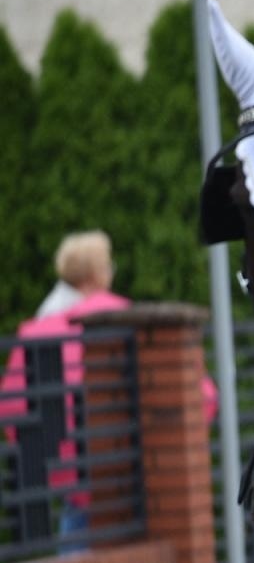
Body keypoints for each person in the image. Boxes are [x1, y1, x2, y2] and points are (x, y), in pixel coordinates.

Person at [1, 232, 217, 546]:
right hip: (119, 473)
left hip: (77, 480)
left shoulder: (44, 322)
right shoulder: (114, 317)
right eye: (108, 264)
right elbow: (204, 396)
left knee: (75, 557)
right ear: (96, 272)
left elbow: (19, 404)